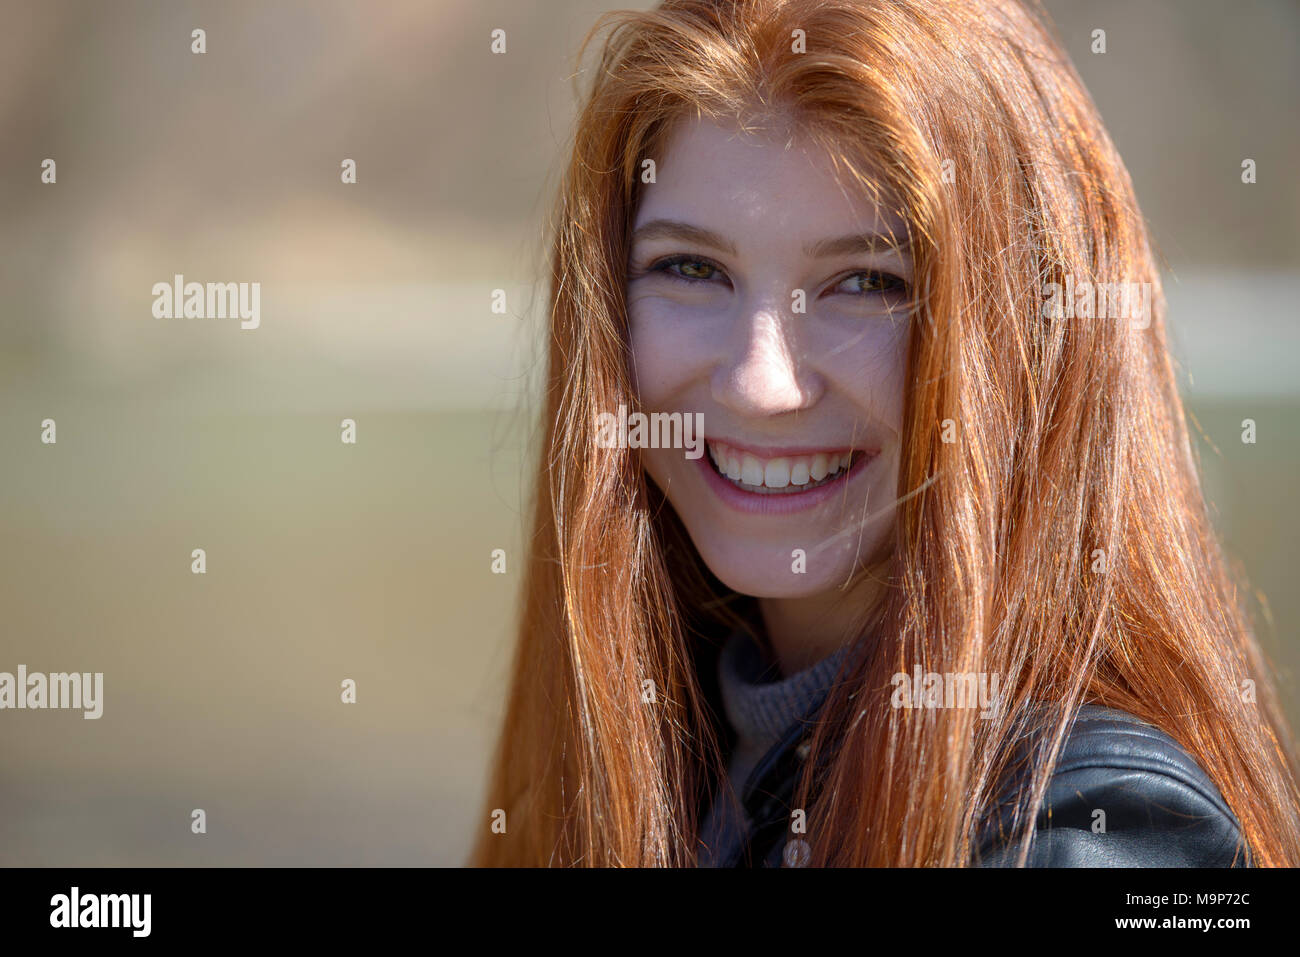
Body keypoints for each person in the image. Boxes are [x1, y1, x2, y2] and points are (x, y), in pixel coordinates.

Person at [470, 0, 1300, 866]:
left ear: (1035, 337)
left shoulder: (1092, 826)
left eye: (867, 281)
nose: (762, 382)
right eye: (691, 268)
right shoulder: (683, 746)